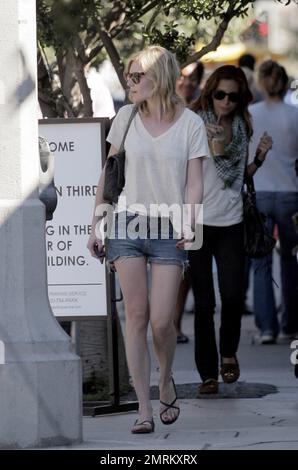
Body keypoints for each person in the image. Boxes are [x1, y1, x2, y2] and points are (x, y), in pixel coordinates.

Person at [87, 46, 209, 432]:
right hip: (127, 224)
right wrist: (96, 223)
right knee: (135, 316)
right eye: (129, 76)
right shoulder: (124, 117)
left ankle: (165, 377)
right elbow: (109, 174)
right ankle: (143, 407)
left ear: (159, 76)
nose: (131, 82)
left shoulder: (190, 124)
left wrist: (192, 224)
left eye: (138, 76)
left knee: (161, 323)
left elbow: (194, 183)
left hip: (170, 228)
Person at [190, 65, 273, 394]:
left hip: (232, 220)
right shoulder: (196, 125)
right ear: (211, 93)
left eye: (232, 97)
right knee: (204, 302)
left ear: (240, 100)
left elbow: (239, 175)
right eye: (220, 95)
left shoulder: (241, 126)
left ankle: (228, 353)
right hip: (197, 221)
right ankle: (207, 373)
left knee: (234, 296)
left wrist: (260, 159)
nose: (225, 102)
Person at [249, 60, 298, 344]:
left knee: (260, 263)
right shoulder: (294, 115)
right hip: (291, 194)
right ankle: (291, 322)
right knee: (291, 261)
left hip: (260, 194)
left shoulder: (251, 114)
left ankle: (267, 328)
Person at [174, 61, 205, 343]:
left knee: (189, 269)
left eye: (193, 78)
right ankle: (170, 324)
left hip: (194, 201)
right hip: (166, 200)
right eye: (182, 77)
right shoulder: (164, 111)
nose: (187, 82)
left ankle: (175, 324)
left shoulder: (198, 113)